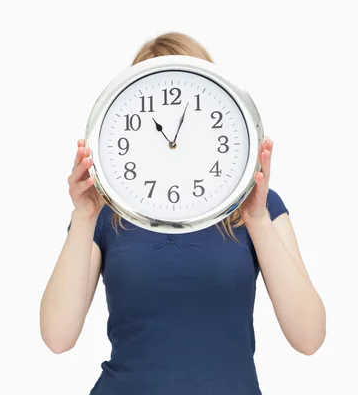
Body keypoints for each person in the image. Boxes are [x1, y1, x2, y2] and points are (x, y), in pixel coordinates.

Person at [39, 32, 326, 395]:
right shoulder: (102, 212)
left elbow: (310, 337)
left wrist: (256, 220)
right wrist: (82, 216)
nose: (172, 141)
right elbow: (57, 337)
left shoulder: (259, 207)